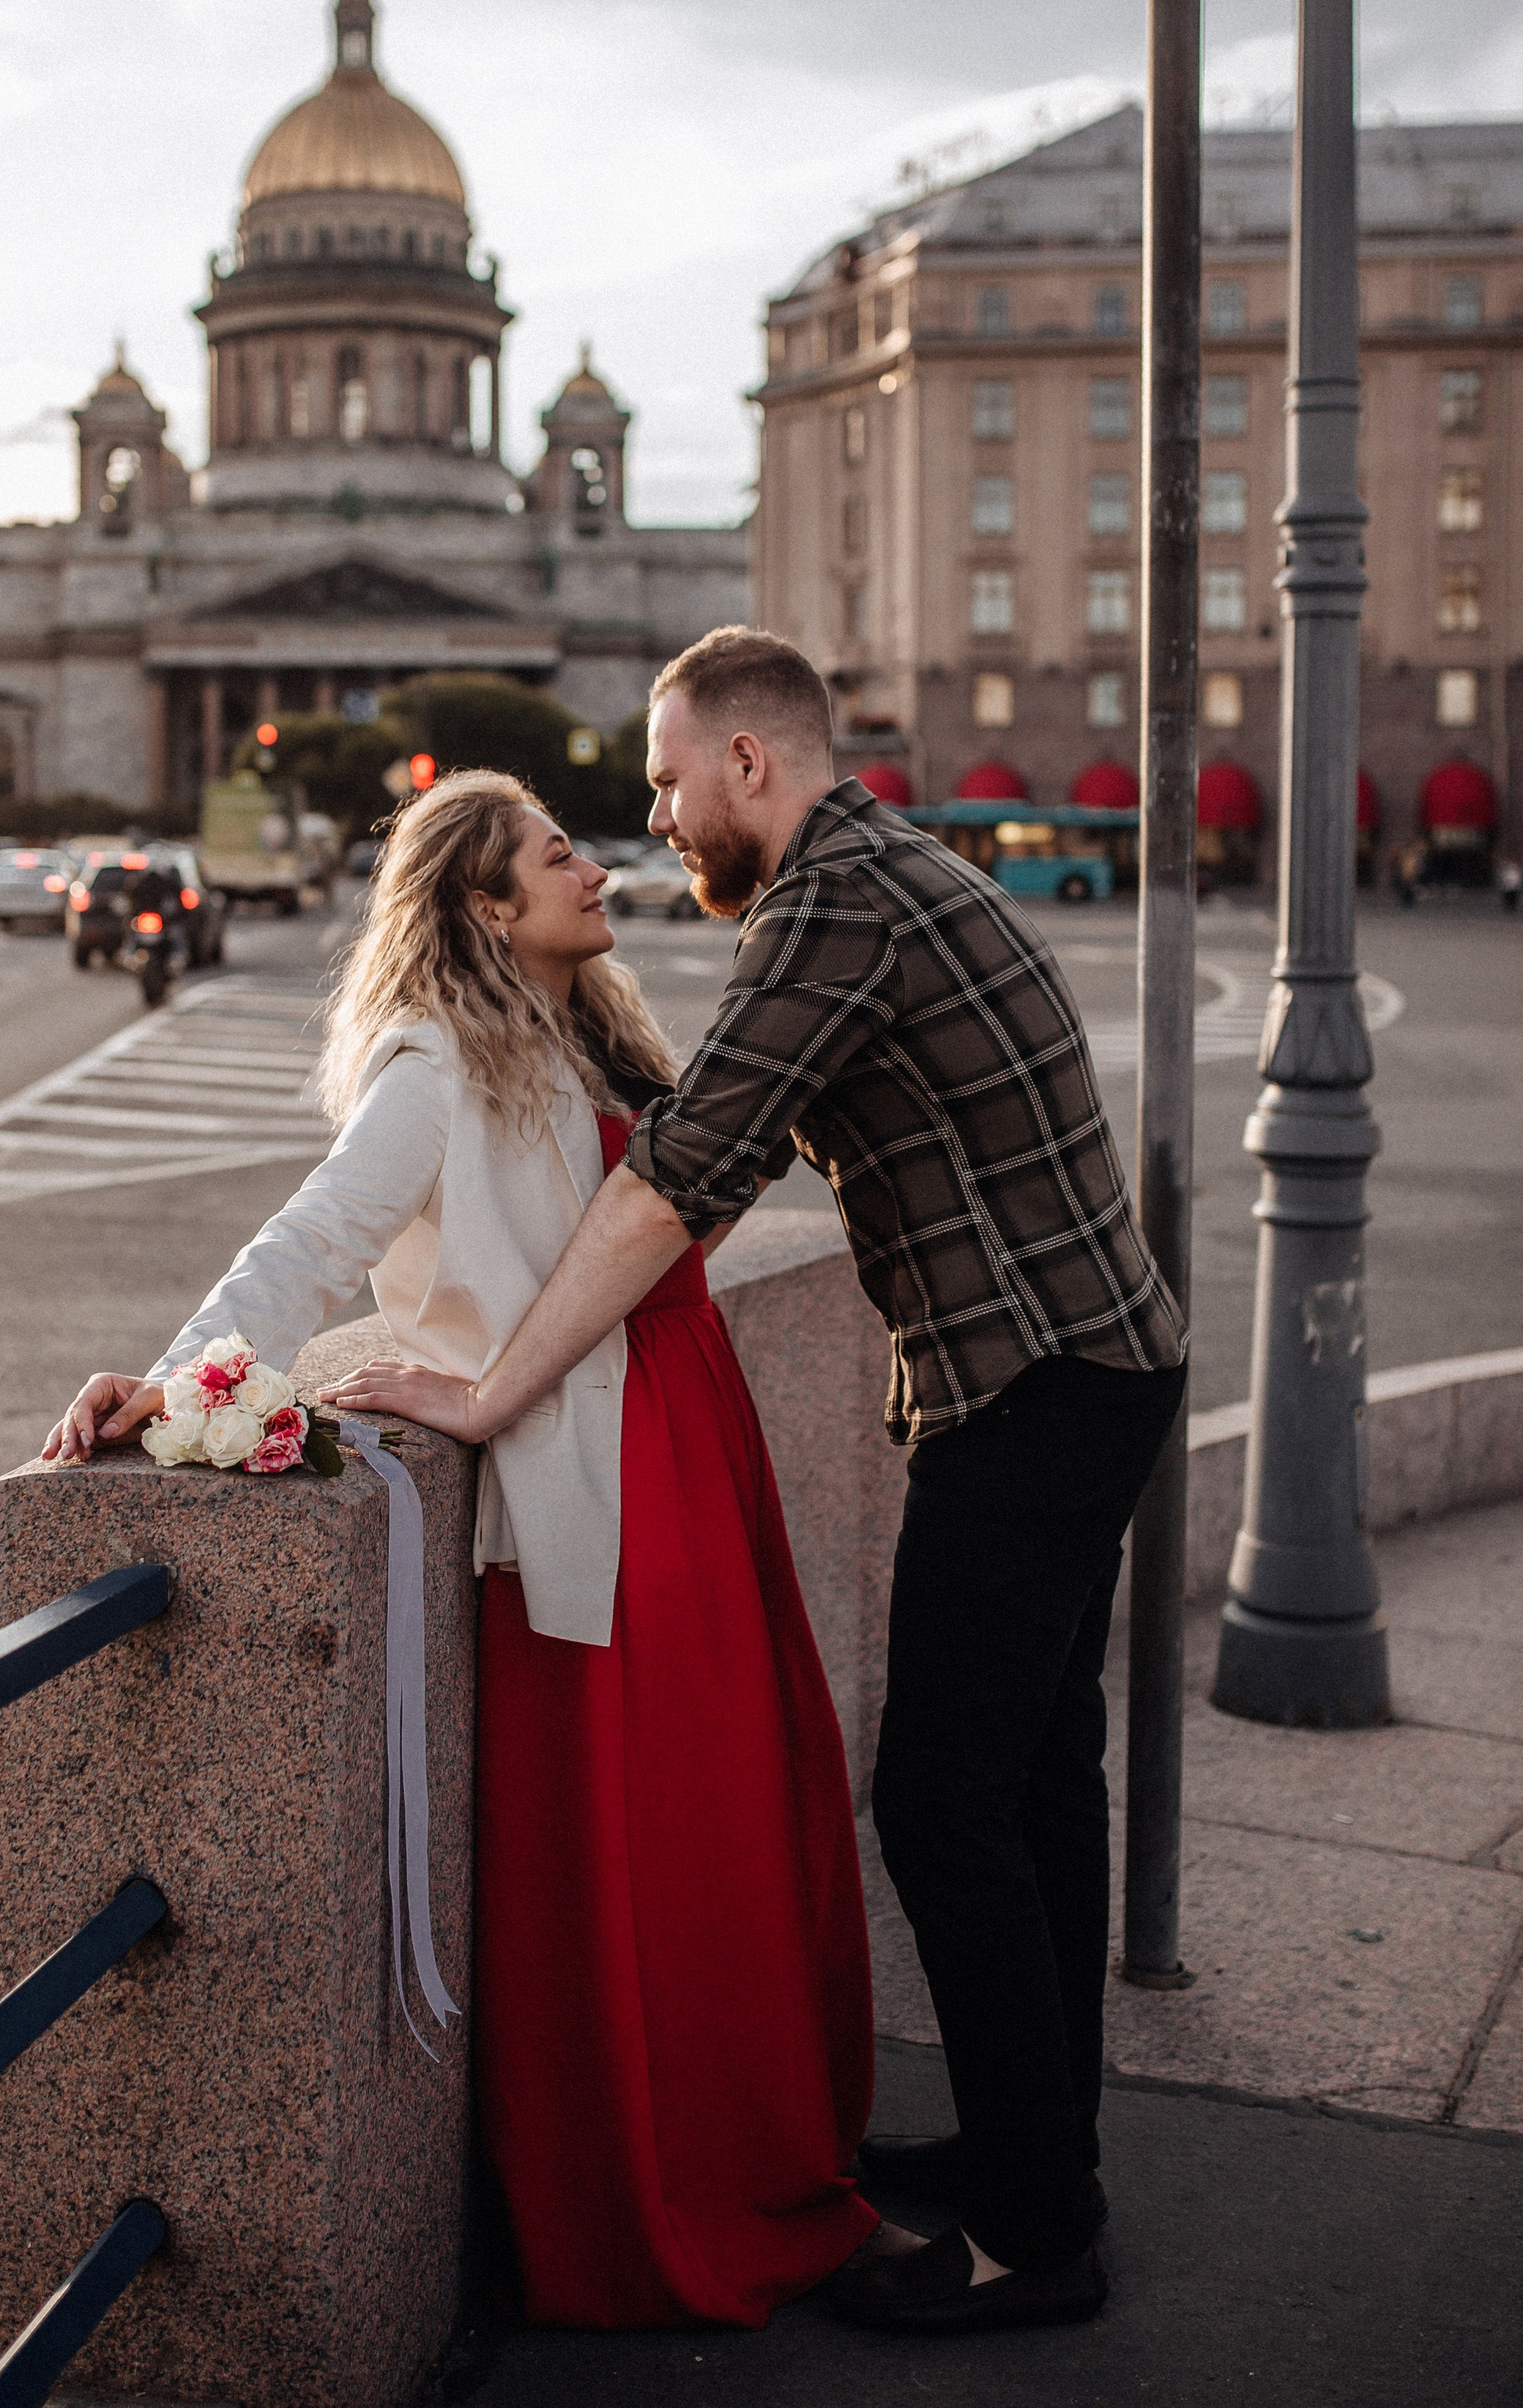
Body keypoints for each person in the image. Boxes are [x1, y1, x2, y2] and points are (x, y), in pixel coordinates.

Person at [335, 631, 1187, 2339]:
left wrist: (494, 1389)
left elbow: (685, 1174)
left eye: (661, 781)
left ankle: (1037, 2243)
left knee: (946, 1811)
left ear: (745, 763)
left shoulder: (827, 902)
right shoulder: (884, 869)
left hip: (1029, 1388)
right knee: (1034, 1793)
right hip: (1090, 1366)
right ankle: (1044, 2158)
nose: (651, 821)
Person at [43, 768, 895, 2330]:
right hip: (596, 1467)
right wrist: (174, 1383)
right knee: (648, 1851)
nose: (592, 863)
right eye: (553, 853)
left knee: (734, 1814)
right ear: (486, 907)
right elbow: (309, 1241)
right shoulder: (435, 1061)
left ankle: (766, 2155)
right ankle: (657, 2201)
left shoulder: (596, 1030)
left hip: (690, 1435)